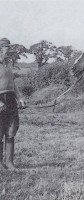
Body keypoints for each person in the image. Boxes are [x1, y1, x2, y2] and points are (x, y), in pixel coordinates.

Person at [0, 38, 25, 170]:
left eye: (9, 48)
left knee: (11, 131)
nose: (9, 51)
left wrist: (20, 98)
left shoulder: (8, 65)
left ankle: (9, 163)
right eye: (7, 48)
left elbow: (13, 84)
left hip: (10, 98)